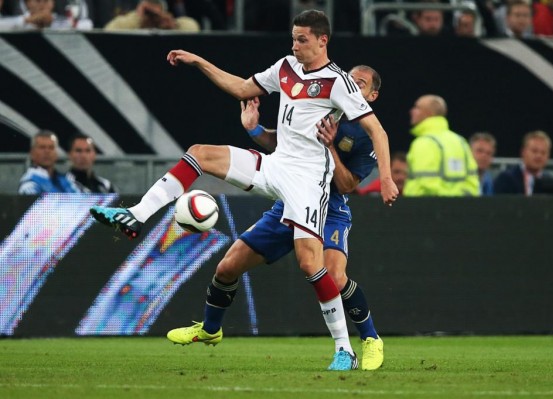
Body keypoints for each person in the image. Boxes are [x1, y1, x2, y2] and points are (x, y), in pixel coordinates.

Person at [90, 10, 398, 371]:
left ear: (322, 40)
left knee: (311, 264)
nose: (295, 45)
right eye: (293, 38)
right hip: (276, 165)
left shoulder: (338, 82)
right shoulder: (285, 67)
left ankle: (345, 349)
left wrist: (388, 178)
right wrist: (198, 61)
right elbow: (240, 87)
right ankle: (135, 216)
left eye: (302, 39)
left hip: (308, 182)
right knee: (201, 155)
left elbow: (379, 132)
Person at [234, 65, 385, 371]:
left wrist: (330, 146)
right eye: (350, 80)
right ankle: (209, 327)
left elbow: (346, 185)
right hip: (291, 199)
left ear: (372, 95)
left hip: (330, 207)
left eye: (361, 84)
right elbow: (283, 146)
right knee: (230, 263)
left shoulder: (365, 135)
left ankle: (369, 340)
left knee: (335, 276)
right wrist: (254, 129)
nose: (352, 86)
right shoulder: (323, 104)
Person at [403, 95, 480, 197]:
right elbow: (472, 183)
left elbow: (426, 185)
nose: (412, 111)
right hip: (460, 210)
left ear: (428, 113)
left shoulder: (423, 143)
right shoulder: (461, 142)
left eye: (417, 107)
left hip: (424, 210)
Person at [18, 130, 81, 194]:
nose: (47, 152)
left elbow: (81, 201)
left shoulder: (66, 180)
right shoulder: (29, 183)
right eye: (42, 147)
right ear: (32, 153)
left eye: (51, 147)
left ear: (56, 153)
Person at [493, 130, 552, 195]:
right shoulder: (506, 179)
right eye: (534, 151)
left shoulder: (550, 182)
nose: (539, 156)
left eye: (543, 153)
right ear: (523, 152)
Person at [104, 0, 199, 31]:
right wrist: (138, 21)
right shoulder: (133, 20)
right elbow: (108, 31)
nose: (153, 18)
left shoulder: (172, 21)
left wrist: (173, 26)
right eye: (149, 13)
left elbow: (193, 28)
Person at [1, 0, 93, 30]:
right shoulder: (18, 19)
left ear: (52, 3)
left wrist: (51, 22)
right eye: (37, 1)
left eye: (46, 1)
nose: (42, 5)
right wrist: (26, 20)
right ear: (27, 3)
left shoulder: (58, 19)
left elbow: (88, 24)